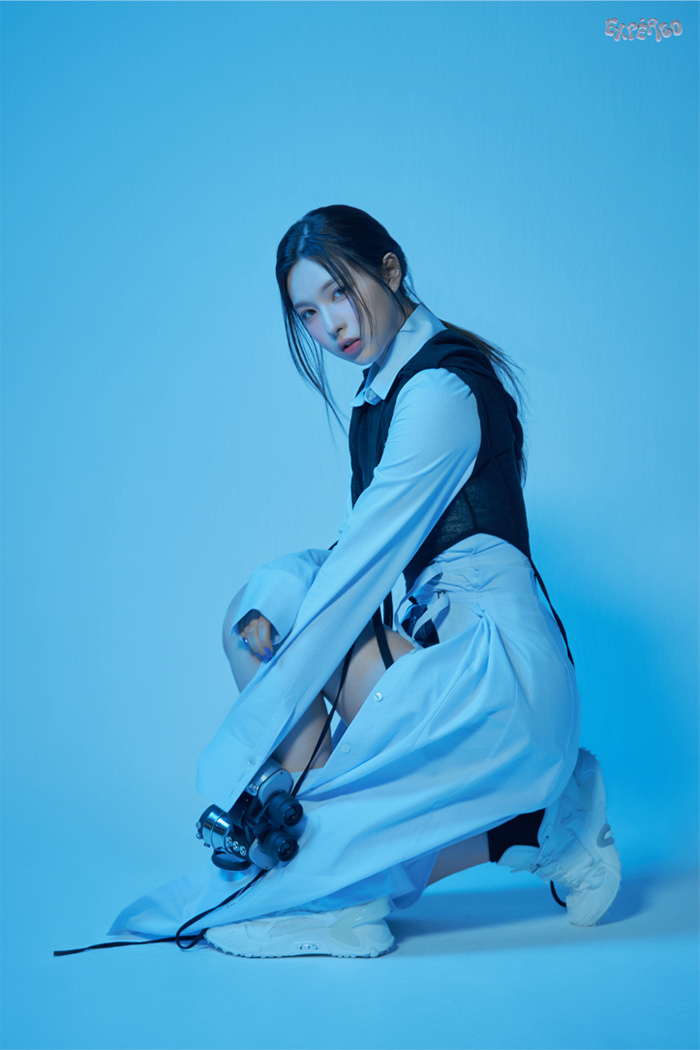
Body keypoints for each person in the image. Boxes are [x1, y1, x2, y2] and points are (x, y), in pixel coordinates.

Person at [109, 205, 621, 958]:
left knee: (305, 864)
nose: (331, 327)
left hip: (498, 682)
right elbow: (353, 556)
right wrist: (271, 620)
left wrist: (253, 754)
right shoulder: (383, 398)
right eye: (307, 313)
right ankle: (534, 827)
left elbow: (357, 567)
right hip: (446, 662)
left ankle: (314, 847)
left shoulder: (439, 394)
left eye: (340, 293)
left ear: (390, 270)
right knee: (259, 613)